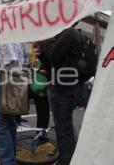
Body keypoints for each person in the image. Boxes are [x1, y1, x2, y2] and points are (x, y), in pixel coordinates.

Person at [43, 25, 82, 165]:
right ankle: (66, 157)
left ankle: (66, 160)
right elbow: (49, 65)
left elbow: (54, 57)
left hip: (65, 90)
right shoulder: (61, 35)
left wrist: (46, 42)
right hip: (58, 88)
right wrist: (42, 50)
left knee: (64, 130)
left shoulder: (70, 33)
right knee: (62, 127)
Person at [0, 43, 25, 165]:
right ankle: (10, 160)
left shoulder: (3, 33)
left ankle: (7, 161)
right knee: (8, 122)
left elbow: (9, 59)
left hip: (7, 77)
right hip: (13, 76)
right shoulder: (13, 29)